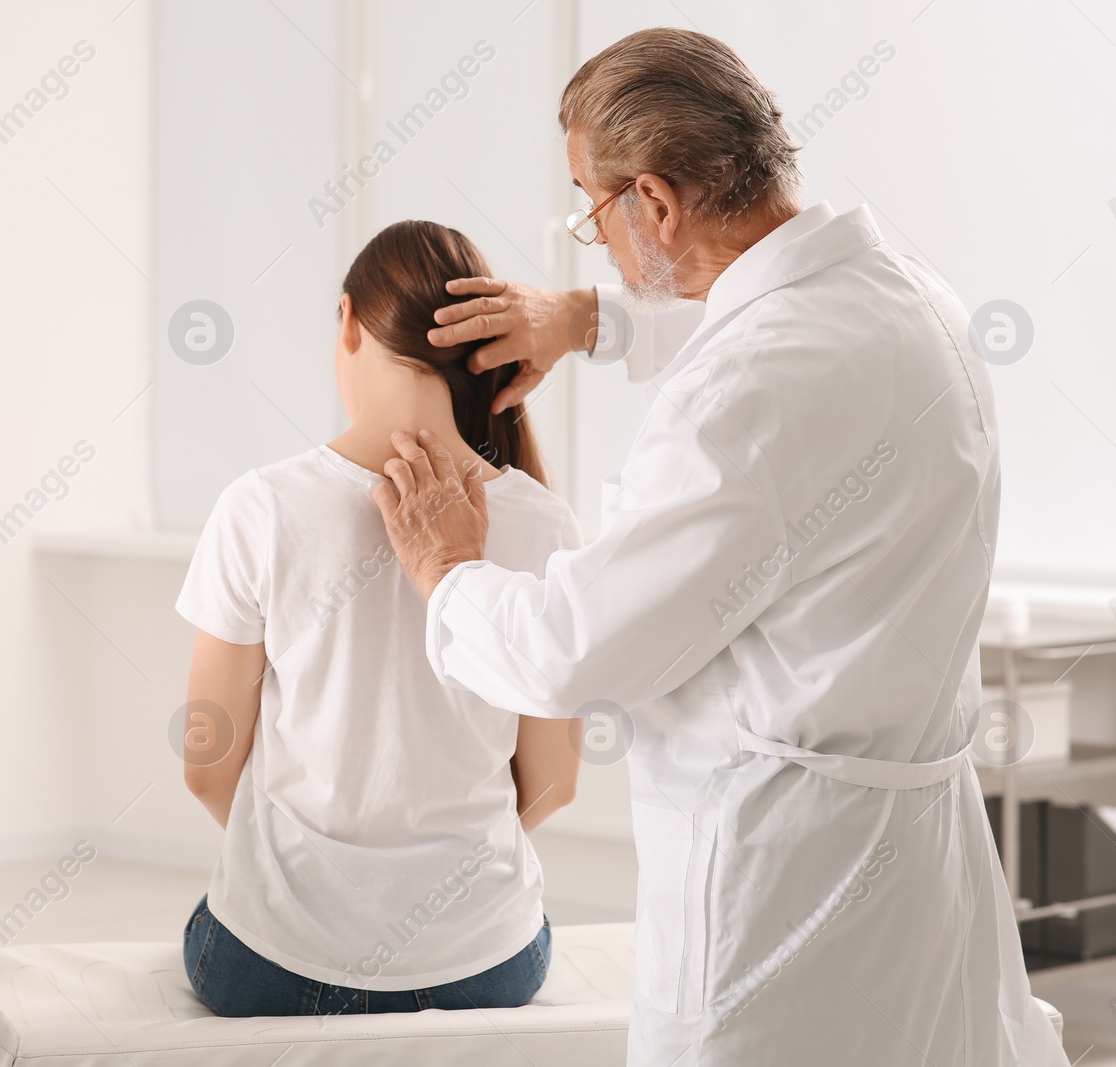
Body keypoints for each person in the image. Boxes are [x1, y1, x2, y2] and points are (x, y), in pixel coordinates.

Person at [369, 28, 1069, 1066]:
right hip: (917, 862)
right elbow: (786, 350)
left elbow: (571, 650)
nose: (593, 241)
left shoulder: (743, 395)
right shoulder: (909, 296)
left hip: (782, 885)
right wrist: (590, 320)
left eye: (591, 211)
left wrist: (449, 570)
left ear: (654, 201)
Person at [173, 220, 583, 1016]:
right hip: (483, 962)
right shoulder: (545, 524)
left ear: (349, 321)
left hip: (272, 962)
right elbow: (554, 783)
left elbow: (205, 763)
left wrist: (304, 878)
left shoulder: (260, 507)